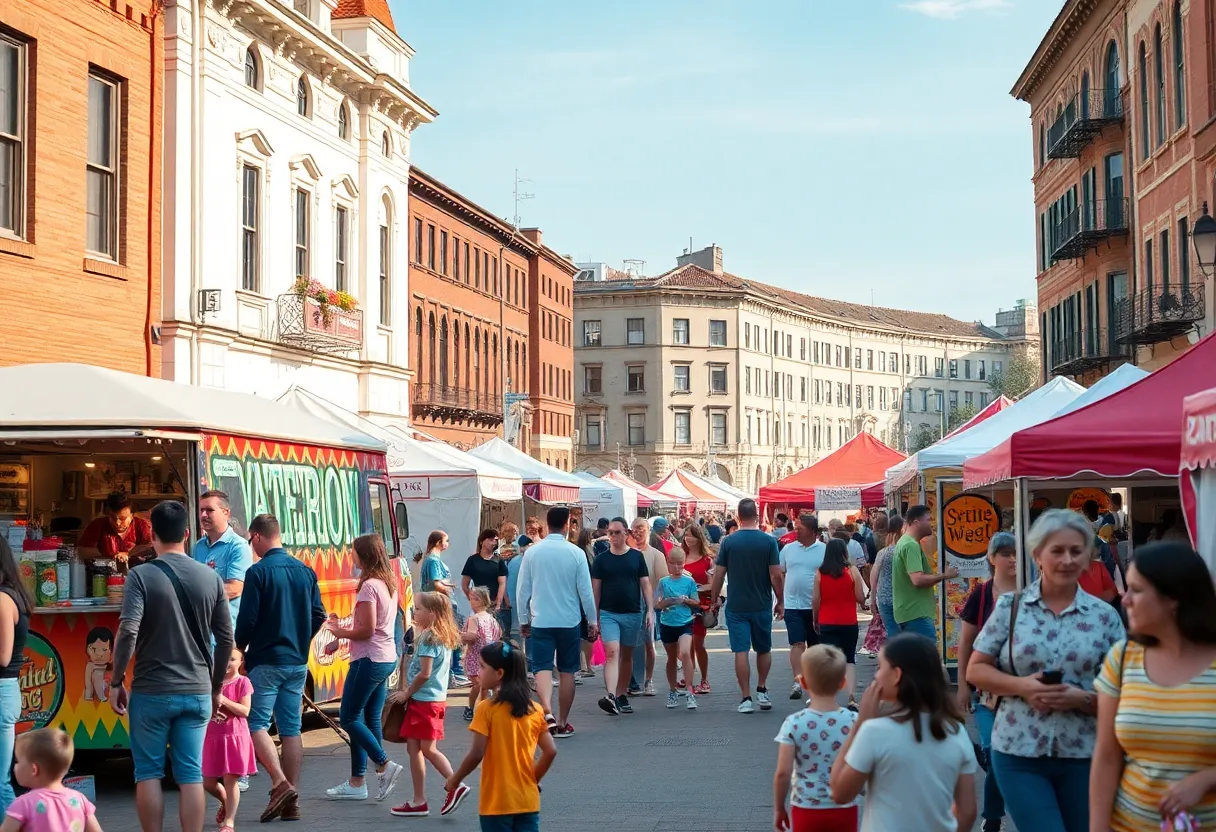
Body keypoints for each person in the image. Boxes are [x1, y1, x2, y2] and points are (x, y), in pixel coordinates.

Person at [967, 509, 1125, 832]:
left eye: (1076, 551)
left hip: (1086, 753)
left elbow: (1127, 692)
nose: (1067, 559)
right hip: (1018, 751)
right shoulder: (1010, 608)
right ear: (1038, 555)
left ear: (1087, 558)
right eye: (1057, 550)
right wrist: (1024, 686)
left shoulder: (1104, 616)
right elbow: (976, 669)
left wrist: (1082, 699)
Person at [108, 500, 233, 832]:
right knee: (191, 773)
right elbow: (225, 638)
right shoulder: (210, 577)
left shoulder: (140, 576)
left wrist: (116, 681)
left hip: (151, 691)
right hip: (196, 691)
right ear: (187, 534)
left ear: (151, 535)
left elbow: (128, 630)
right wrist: (216, 687)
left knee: (148, 772)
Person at [1091, 542, 1216, 832]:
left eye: (1136, 589)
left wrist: (1207, 779)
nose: (1125, 599)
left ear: (1173, 598)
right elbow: (1106, 756)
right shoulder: (1123, 657)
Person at [829, 634, 978, 832]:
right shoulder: (956, 732)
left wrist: (861, 723)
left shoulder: (875, 731)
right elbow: (967, 812)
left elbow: (839, 792)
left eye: (880, 667)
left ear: (897, 675)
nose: (876, 676)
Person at [233, 514, 326, 823]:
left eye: (250, 541)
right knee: (291, 728)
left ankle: (280, 783)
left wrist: (240, 648)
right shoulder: (305, 571)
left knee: (255, 723)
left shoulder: (258, 573)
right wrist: (302, 640)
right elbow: (318, 615)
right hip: (297, 661)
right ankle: (292, 800)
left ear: (257, 537)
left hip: (266, 659)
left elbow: (246, 621)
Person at [323, 534, 404, 802]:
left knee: (348, 717)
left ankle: (383, 764)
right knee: (369, 719)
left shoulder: (369, 586)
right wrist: (342, 640)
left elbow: (368, 630)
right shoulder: (387, 582)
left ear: (364, 555)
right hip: (383, 656)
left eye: (353, 551)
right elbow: (378, 628)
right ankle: (359, 782)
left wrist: (338, 631)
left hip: (369, 659)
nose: (350, 555)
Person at [445, 641, 558, 832]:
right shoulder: (535, 709)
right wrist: (533, 779)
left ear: (499, 674)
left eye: (482, 667)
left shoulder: (487, 709)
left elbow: (476, 753)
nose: (479, 672)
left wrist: (454, 780)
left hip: (497, 802)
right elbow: (550, 751)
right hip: (527, 800)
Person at [516, 506, 598, 738]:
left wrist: (523, 619)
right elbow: (586, 592)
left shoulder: (533, 553)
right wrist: (592, 620)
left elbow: (523, 590)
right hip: (568, 619)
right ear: (567, 524)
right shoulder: (576, 553)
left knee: (541, 667)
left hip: (541, 618)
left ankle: (547, 711)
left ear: (546, 523)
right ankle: (562, 721)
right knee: (567, 671)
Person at [955, 531, 1016, 832]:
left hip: (1020, 694)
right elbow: (965, 642)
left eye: (1016, 553)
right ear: (992, 559)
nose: (1013, 559)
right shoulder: (981, 594)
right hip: (986, 693)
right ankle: (993, 817)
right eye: (1006, 553)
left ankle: (996, 813)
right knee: (994, 755)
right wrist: (963, 684)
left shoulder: (1032, 591)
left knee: (1005, 758)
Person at [388, 592, 468, 818]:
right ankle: (419, 800)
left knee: (428, 749)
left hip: (425, 701)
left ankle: (454, 784)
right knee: (414, 749)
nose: (415, 612)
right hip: (428, 700)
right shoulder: (439, 636)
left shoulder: (430, 638)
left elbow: (424, 673)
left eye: (419, 608)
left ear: (432, 614)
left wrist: (406, 693)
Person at [773, 644, 858, 832]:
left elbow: (783, 773)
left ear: (803, 683)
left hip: (806, 807)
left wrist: (779, 808)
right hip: (844, 807)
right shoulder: (854, 721)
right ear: (843, 683)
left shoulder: (794, 723)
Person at [710, 498, 784, 714]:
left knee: (740, 650)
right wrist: (780, 600)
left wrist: (715, 598)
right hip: (761, 603)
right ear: (757, 516)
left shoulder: (728, 542)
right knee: (764, 648)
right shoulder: (768, 541)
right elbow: (775, 574)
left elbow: (719, 574)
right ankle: (762, 688)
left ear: (738, 517)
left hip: (736, 604)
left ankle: (746, 697)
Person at [592, 517, 655, 716]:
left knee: (626, 656)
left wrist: (651, 610)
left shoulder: (636, 557)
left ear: (626, 533)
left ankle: (621, 695)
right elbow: (596, 590)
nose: (613, 536)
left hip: (633, 612)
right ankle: (610, 695)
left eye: (617, 532)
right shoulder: (602, 559)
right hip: (609, 613)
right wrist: (594, 617)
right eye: (610, 532)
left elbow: (645, 584)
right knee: (612, 652)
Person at [2, 728, 101, 832]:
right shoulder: (79, 800)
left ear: (34, 769)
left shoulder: (23, 804)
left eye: (17, 761)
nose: (14, 766)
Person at [202, 648, 256, 831]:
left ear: (241, 662)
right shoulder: (211, 683)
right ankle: (225, 802)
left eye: (232, 659)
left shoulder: (243, 682)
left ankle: (229, 822)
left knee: (230, 780)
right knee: (207, 782)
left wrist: (223, 700)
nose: (227, 663)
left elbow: (245, 710)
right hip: (212, 737)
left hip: (234, 737)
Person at [813, 539, 866, 708]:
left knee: (829, 661)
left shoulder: (820, 573)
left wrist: (815, 619)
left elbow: (815, 600)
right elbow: (860, 597)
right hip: (848, 621)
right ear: (844, 552)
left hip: (826, 621)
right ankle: (851, 697)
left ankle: (830, 699)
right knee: (850, 659)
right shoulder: (852, 571)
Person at [891, 505, 957, 640]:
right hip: (916, 614)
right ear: (916, 522)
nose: (932, 523)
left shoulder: (905, 542)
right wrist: (945, 575)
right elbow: (918, 580)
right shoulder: (911, 545)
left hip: (910, 612)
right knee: (925, 657)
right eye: (928, 519)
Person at [191, 490, 253, 628]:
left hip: (225, 633)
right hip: (201, 631)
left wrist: (196, 597)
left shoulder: (238, 547)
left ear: (226, 513)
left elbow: (235, 588)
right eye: (201, 510)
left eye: (209, 510)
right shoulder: (199, 546)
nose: (203, 515)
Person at [780, 513, 825, 701]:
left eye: (800, 529)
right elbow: (779, 572)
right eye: (795, 527)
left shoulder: (824, 550)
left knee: (815, 647)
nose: (795, 531)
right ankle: (797, 681)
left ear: (813, 532)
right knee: (797, 643)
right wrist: (781, 598)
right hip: (793, 606)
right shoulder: (788, 549)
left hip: (816, 606)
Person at [416, 530, 469, 689]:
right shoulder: (433, 560)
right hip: (442, 603)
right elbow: (436, 583)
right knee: (453, 636)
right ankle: (456, 673)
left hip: (436, 602)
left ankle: (450, 673)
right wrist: (448, 589)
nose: (448, 544)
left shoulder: (429, 559)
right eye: (446, 540)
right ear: (439, 542)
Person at [0, 539, 30, 815]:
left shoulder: (2, 599)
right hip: (7, 691)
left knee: (0, 783)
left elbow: (3, 657)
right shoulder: (12, 594)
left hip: (2, 690)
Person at [654, 549, 700, 711]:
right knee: (672, 658)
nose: (676, 567)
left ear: (684, 563)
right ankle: (673, 690)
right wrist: (665, 603)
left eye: (679, 564)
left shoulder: (689, 581)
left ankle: (689, 690)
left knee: (686, 652)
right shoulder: (663, 582)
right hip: (667, 623)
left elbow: (696, 601)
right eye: (673, 564)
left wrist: (687, 600)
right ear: (668, 563)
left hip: (685, 622)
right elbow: (656, 604)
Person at [628, 517, 669, 697]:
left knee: (648, 644)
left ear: (649, 530)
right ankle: (631, 680)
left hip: (648, 606)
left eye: (641, 528)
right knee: (628, 646)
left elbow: (662, 581)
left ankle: (648, 679)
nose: (637, 532)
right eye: (634, 528)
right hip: (628, 606)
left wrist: (655, 605)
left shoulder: (655, 555)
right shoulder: (626, 553)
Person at [677, 520, 716, 694]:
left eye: (692, 536)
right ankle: (689, 677)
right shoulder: (680, 557)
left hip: (700, 606)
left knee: (698, 644)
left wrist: (696, 587)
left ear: (699, 538)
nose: (689, 539)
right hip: (682, 606)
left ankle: (704, 679)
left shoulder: (708, 560)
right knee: (686, 644)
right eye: (686, 536)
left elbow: (713, 584)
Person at [77, 490, 154, 568]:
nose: (117, 523)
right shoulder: (97, 525)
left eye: (122, 518)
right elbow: (81, 551)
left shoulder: (141, 525)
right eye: (113, 518)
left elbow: (150, 546)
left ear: (132, 515)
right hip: (104, 572)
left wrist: (128, 554)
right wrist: (109, 557)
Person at [862, 516, 903, 656]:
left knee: (891, 630)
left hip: (884, 597)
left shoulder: (883, 553)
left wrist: (873, 600)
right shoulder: (907, 550)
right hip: (903, 597)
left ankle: (894, 660)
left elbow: (874, 579)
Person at [460, 587, 502, 721]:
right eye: (471, 598)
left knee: (480, 685)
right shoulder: (491, 619)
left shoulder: (474, 619)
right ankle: (484, 709)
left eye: (475, 598)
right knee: (485, 684)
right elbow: (499, 633)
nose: (471, 601)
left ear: (483, 600)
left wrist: (460, 635)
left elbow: (471, 636)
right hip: (490, 657)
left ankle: (475, 709)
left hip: (477, 658)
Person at [463, 530, 509, 640]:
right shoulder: (473, 560)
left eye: (496, 540)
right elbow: (464, 584)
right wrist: (472, 599)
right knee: (480, 634)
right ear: (482, 541)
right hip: (479, 602)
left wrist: (498, 602)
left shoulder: (499, 560)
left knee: (497, 635)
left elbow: (502, 583)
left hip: (494, 603)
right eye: (491, 539)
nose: (494, 542)